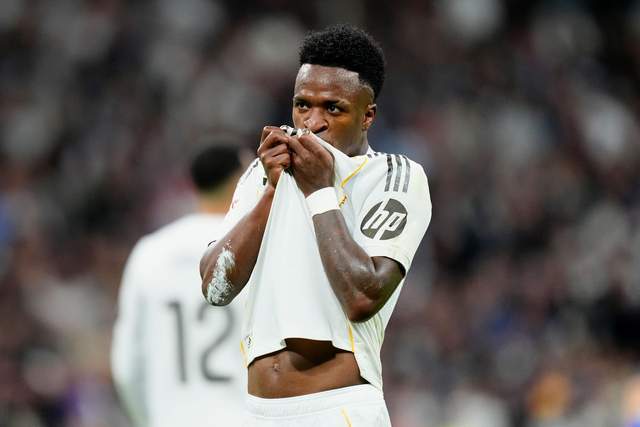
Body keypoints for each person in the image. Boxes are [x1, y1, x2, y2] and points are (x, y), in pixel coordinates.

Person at [200, 24, 432, 426]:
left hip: (337, 408)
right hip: (256, 412)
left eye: (333, 109)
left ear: (368, 116)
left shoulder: (394, 176)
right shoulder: (264, 171)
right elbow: (215, 287)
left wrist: (320, 191)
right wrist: (272, 191)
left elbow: (362, 296)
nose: (312, 122)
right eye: (302, 105)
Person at [112, 143, 248, 427]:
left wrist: (149, 420)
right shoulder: (255, 247)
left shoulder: (150, 252)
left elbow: (126, 365)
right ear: (240, 180)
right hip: (242, 417)